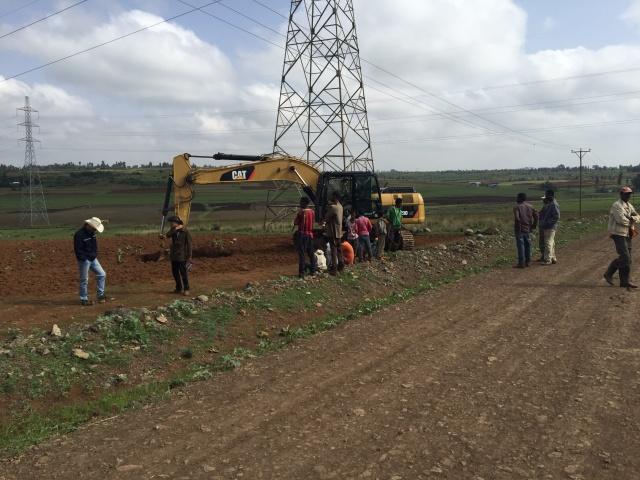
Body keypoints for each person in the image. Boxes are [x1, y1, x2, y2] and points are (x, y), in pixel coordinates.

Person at [604, 186, 640, 289]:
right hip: (618, 233)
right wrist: (632, 220)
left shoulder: (629, 205)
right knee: (625, 257)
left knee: (628, 259)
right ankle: (609, 273)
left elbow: (638, 217)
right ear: (621, 194)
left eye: (629, 194)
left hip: (628, 233)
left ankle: (624, 281)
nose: (628, 196)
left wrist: (632, 218)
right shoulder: (617, 205)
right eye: (626, 194)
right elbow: (621, 220)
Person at [74, 216, 107, 306]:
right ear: (89, 225)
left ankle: (100, 295)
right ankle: (84, 299)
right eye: (94, 228)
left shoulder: (92, 233)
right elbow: (78, 249)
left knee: (102, 274)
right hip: (84, 260)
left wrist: (94, 255)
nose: (95, 230)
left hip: (93, 258)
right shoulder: (79, 234)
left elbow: (94, 246)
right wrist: (84, 259)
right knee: (84, 279)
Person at [161, 216, 193, 296]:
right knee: (175, 273)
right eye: (171, 222)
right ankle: (178, 288)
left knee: (183, 273)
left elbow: (189, 244)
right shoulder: (173, 230)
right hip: (174, 255)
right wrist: (174, 229)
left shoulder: (185, 232)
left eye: (172, 222)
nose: (171, 224)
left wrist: (189, 256)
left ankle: (186, 289)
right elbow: (168, 235)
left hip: (182, 255)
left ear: (177, 223)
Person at [513, 193, 538, 268]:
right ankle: (528, 262)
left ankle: (521, 263)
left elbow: (517, 218)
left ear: (519, 198)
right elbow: (536, 216)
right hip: (528, 228)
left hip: (520, 229)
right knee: (528, 245)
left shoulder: (517, 207)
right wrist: (534, 225)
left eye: (517, 197)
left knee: (521, 246)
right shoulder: (530, 206)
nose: (516, 199)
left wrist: (518, 227)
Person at [293, 196, 317, 278]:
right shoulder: (312, 212)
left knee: (302, 254)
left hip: (302, 235)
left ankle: (302, 272)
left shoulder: (301, 212)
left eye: (301, 202)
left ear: (304, 203)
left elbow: (295, 222)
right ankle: (313, 270)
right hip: (310, 234)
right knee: (311, 253)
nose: (300, 203)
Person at [324, 192, 345, 275]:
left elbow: (326, 217)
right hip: (339, 232)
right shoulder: (340, 206)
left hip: (333, 232)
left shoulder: (333, 207)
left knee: (333, 251)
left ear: (335, 197)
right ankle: (341, 266)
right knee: (339, 250)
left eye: (332, 196)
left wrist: (328, 206)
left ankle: (334, 269)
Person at [539, 190, 560, 265]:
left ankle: (547, 259)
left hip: (550, 227)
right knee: (551, 242)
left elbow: (556, 216)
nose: (546, 197)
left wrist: (547, 223)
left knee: (548, 242)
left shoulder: (553, 204)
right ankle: (553, 258)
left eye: (547, 195)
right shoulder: (551, 203)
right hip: (549, 226)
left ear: (551, 195)